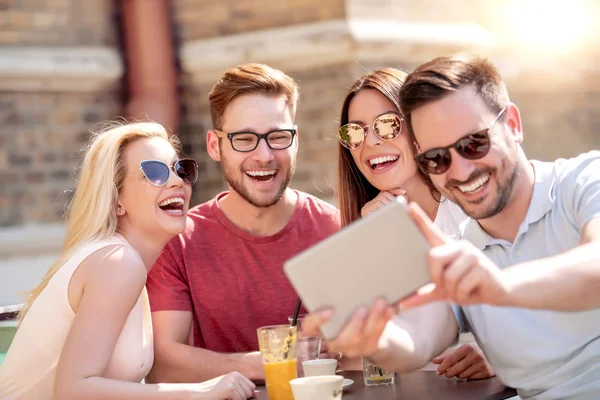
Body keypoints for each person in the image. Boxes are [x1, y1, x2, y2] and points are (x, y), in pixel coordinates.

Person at [304, 54, 600, 400]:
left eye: (473, 143)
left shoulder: (582, 181)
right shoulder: (459, 247)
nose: (459, 171)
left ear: (514, 125)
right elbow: (418, 341)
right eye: (437, 158)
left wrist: (501, 288)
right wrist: (377, 340)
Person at [0, 122, 256, 400]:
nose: (175, 181)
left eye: (180, 169)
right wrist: (200, 392)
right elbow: (72, 389)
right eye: (154, 173)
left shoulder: (123, 262)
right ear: (115, 201)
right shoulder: (117, 263)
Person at [145, 63, 340, 384]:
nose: (264, 155)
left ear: (296, 141)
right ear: (214, 145)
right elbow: (163, 361)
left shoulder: (335, 230)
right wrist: (265, 364)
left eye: (278, 136)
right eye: (244, 139)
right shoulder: (178, 241)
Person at [335, 67, 493, 379]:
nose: (371, 142)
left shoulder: (473, 204)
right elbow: (357, 359)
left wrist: (499, 357)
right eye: (354, 132)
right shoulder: (368, 226)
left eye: (388, 125)